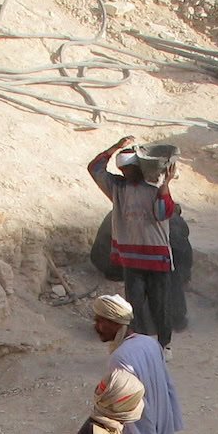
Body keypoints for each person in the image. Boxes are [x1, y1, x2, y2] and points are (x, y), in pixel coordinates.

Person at [94, 293, 182, 434]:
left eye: (101, 321)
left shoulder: (120, 358)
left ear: (116, 322)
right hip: (162, 426)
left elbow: (132, 402)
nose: (97, 327)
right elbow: (168, 385)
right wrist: (171, 425)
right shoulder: (149, 343)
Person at [89, 136, 176, 345]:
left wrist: (166, 184)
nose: (127, 173)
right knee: (139, 307)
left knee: (156, 306)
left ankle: (162, 345)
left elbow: (163, 212)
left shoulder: (142, 188)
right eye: (124, 170)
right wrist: (116, 147)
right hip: (141, 259)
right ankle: (143, 345)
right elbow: (94, 168)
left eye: (129, 169)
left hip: (148, 259)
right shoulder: (119, 188)